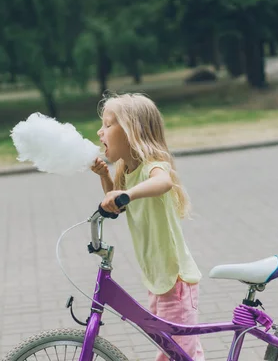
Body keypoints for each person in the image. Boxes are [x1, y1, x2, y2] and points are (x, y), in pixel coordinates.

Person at [90, 92, 204, 361]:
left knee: (176, 353)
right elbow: (116, 205)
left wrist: (128, 194)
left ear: (132, 131)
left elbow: (163, 182)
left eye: (108, 124)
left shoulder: (154, 166)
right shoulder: (127, 172)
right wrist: (106, 177)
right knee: (177, 349)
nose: (100, 132)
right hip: (157, 279)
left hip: (174, 279)